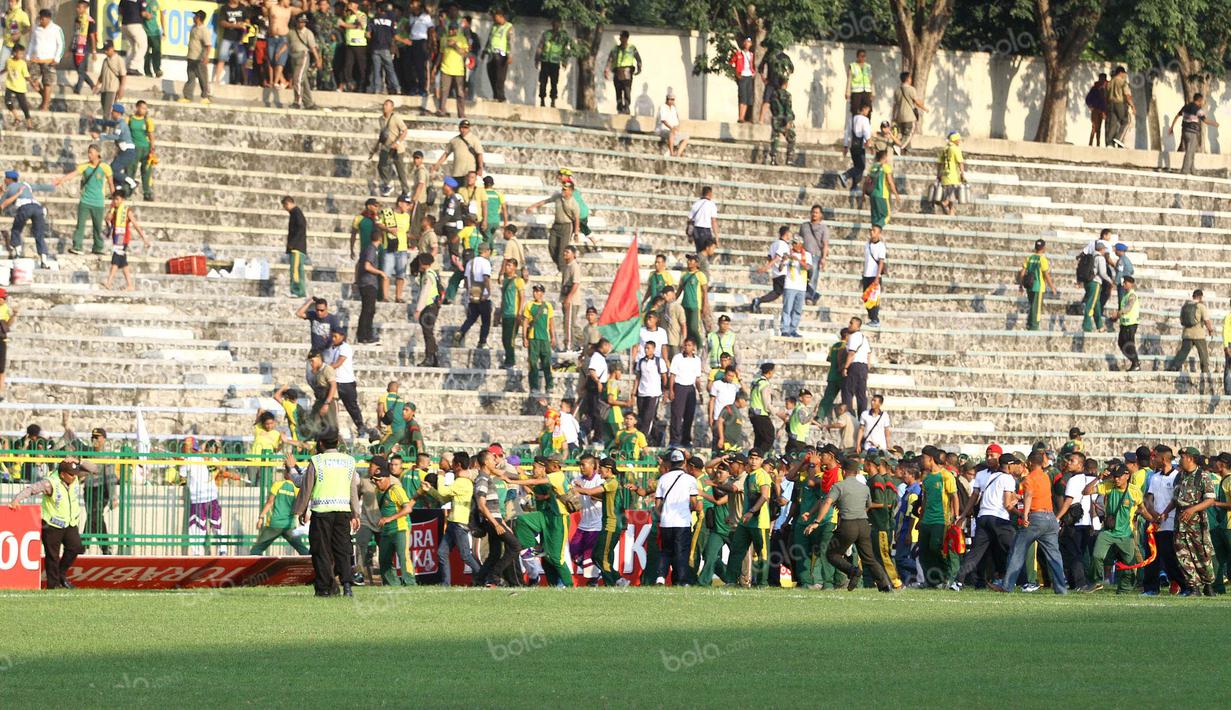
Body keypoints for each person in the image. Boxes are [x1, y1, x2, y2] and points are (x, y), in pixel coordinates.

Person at [803, 458, 895, 592]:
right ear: (857, 472)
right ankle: (885, 586)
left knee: (832, 554)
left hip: (848, 525)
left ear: (843, 471)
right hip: (864, 525)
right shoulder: (864, 487)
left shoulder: (839, 486)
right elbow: (868, 505)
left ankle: (853, 571)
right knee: (869, 558)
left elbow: (827, 502)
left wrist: (816, 522)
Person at [290, 432, 360, 596]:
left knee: (321, 551)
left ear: (320, 443)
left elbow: (307, 487)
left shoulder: (317, 461)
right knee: (342, 550)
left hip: (322, 512)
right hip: (343, 512)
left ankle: (324, 588)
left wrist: (300, 510)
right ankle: (347, 585)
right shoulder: (349, 461)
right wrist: (356, 513)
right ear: (337, 442)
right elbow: (352, 488)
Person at [8, 459, 92, 589]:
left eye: (75, 473)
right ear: (62, 474)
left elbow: (94, 468)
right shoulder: (50, 483)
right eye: (71, 474)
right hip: (52, 524)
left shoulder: (73, 477)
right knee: (52, 556)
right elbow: (31, 489)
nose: (74, 476)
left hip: (70, 523)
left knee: (76, 547)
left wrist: (78, 460)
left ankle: (61, 575)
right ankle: (53, 586)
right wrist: (16, 500)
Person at [993, 451, 1068, 594]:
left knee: (1017, 550)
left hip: (1036, 518)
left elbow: (1028, 495)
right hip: (1050, 518)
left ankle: (1007, 586)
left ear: (1031, 463)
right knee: (1054, 555)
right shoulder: (1046, 477)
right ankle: (1061, 588)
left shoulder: (1029, 478)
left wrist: (1025, 515)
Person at [422, 452, 480, 587]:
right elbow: (443, 499)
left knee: (466, 556)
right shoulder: (460, 481)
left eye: (453, 463)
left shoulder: (463, 482)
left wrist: (441, 477)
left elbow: (443, 492)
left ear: (458, 465)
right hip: (454, 523)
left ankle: (483, 577)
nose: (451, 466)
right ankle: (445, 583)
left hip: (459, 524)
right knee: (442, 553)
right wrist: (430, 490)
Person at [724, 450, 773, 587]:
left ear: (761, 461)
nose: (753, 461)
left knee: (762, 553)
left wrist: (751, 512)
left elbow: (764, 496)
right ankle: (731, 581)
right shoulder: (749, 476)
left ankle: (762, 583)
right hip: (745, 522)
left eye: (756, 458)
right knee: (736, 549)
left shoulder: (762, 475)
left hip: (759, 522)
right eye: (751, 458)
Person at [1172, 447, 1217, 595]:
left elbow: (1210, 500)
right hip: (1180, 522)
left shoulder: (1203, 476)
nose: (1180, 459)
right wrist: (1164, 513)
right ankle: (1194, 586)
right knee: (1182, 554)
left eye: (1183, 456)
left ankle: (1208, 584)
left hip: (1197, 523)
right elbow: (1174, 499)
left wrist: (1192, 509)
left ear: (1190, 458)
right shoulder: (1179, 476)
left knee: (1202, 554)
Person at [654, 450, 699, 585]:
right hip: (682, 521)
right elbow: (694, 503)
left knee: (666, 550)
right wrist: (692, 509)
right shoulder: (690, 479)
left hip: (666, 522)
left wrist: (662, 515)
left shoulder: (663, 478)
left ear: (670, 463)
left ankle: (661, 577)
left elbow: (657, 504)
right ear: (684, 462)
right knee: (681, 552)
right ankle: (681, 580)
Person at [250, 456, 310, 555]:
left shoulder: (277, 485)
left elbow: (269, 502)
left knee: (256, 550)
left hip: (274, 524)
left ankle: (255, 569)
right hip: (289, 525)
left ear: (287, 473)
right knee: (303, 550)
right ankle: (310, 567)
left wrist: (261, 517)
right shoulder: (297, 488)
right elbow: (301, 505)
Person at [525, 179, 579, 270]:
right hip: (556, 225)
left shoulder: (574, 204)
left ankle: (563, 270)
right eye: (563, 189)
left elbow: (577, 219)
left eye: (565, 189)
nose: (563, 191)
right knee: (552, 247)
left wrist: (576, 233)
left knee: (563, 250)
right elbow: (546, 201)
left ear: (571, 191)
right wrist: (533, 206)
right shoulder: (557, 197)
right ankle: (562, 266)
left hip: (566, 227)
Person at [101, 189, 149, 292]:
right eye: (114, 199)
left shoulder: (127, 211)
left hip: (123, 239)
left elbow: (135, 225)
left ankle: (109, 282)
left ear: (122, 199)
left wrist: (144, 237)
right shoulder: (114, 210)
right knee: (123, 263)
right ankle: (130, 285)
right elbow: (107, 219)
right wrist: (111, 210)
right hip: (116, 238)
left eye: (117, 199)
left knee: (115, 259)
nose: (116, 201)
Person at [324, 325, 366, 435]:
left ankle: (360, 426)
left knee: (352, 406)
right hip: (334, 382)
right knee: (330, 405)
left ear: (342, 336)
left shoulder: (345, 347)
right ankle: (330, 429)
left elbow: (338, 363)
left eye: (335, 336)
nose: (333, 338)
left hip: (346, 383)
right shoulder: (332, 348)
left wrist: (324, 369)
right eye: (332, 336)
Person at [1, 170, 49, 264]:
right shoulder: (25, 185)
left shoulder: (10, 187)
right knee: (39, 234)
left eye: (5, 179)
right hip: (38, 207)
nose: (4, 181)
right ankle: (44, 259)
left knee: (16, 229)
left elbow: (2, 205)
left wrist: (1, 193)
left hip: (24, 207)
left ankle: (18, 253)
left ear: (9, 179)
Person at [353, 215, 388, 344]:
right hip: (368, 283)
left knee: (368, 310)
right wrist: (381, 273)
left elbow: (358, 265)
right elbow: (367, 266)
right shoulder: (372, 250)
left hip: (365, 282)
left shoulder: (367, 249)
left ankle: (364, 335)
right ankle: (365, 335)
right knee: (368, 310)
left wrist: (356, 280)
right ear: (380, 238)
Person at [1170, 93, 1220, 175]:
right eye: (1202, 101)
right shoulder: (1198, 109)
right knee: (1189, 152)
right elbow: (1205, 121)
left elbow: (1177, 116)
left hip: (1184, 132)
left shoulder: (1186, 107)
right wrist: (1215, 123)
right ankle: (1185, 170)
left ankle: (1192, 169)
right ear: (1200, 100)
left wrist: (1172, 127)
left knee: (1192, 151)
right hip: (1192, 133)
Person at [667, 337, 704, 448]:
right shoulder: (677, 358)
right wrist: (671, 390)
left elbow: (697, 379)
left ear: (693, 347)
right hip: (679, 387)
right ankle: (674, 439)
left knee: (689, 415)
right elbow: (672, 375)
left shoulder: (697, 360)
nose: (687, 347)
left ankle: (686, 439)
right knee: (677, 415)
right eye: (685, 345)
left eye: (689, 345)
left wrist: (700, 392)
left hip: (690, 389)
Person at [455, 242, 493, 348]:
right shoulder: (486, 263)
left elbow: (466, 281)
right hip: (483, 296)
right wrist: (488, 292)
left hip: (473, 295)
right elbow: (486, 279)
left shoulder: (470, 263)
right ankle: (482, 342)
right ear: (486, 251)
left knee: (471, 318)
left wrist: (469, 293)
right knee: (486, 321)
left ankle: (461, 332)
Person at [1168, 289, 1214, 374]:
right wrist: (1210, 330)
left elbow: (1181, 319)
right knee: (1203, 353)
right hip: (1198, 334)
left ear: (1193, 296)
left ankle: (1175, 366)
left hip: (1186, 334)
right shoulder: (1201, 306)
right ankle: (1205, 370)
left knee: (1183, 352)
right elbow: (1207, 320)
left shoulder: (1185, 306)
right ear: (1200, 297)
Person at [370, 100, 409, 197]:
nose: (385, 107)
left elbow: (404, 131)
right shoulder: (381, 119)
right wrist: (375, 148)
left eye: (387, 105)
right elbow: (382, 135)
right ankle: (388, 183)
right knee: (381, 166)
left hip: (397, 149)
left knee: (401, 171)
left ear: (392, 108)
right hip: (386, 147)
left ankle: (406, 191)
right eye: (384, 105)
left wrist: (398, 142)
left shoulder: (396, 118)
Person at [1019, 238, 1059, 331]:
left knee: (1032, 305)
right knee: (1036, 307)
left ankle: (1029, 324)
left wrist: (1021, 285)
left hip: (1029, 286)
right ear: (1044, 248)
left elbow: (1022, 273)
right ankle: (1034, 326)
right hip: (1038, 286)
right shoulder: (1042, 259)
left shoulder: (1030, 258)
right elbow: (1046, 274)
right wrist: (1052, 287)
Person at [26, 9, 61, 114]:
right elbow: (32, 43)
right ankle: (45, 97)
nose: (41, 20)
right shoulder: (36, 29)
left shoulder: (56, 29)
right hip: (36, 59)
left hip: (49, 60)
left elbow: (61, 44)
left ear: (48, 18)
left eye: (43, 19)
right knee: (32, 80)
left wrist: (57, 58)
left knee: (47, 83)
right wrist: (28, 56)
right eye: (40, 18)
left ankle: (45, 105)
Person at [523, 283, 555, 391]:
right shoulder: (529, 305)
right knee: (533, 363)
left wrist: (553, 337)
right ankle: (534, 386)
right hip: (533, 337)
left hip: (545, 338)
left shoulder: (548, 306)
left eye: (538, 291)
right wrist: (524, 337)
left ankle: (549, 385)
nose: (536, 293)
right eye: (535, 291)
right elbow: (525, 322)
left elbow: (551, 323)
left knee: (546, 362)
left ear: (542, 293)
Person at [634, 339, 667, 438]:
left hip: (654, 393)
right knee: (641, 416)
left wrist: (665, 391)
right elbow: (638, 377)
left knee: (648, 417)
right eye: (645, 348)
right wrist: (633, 391)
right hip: (642, 392)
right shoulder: (641, 362)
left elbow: (664, 377)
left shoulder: (659, 361)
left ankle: (642, 438)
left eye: (649, 348)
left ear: (653, 349)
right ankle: (657, 436)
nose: (646, 350)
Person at [780, 236, 811, 337]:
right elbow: (780, 268)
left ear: (800, 244)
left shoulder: (807, 255)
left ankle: (793, 329)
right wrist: (784, 260)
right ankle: (785, 329)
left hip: (801, 287)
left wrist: (797, 259)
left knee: (797, 310)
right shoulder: (788, 254)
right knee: (787, 308)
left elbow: (807, 267)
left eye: (795, 243)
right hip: (790, 285)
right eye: (792, 243)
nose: (793, 245)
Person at [434, 20, 467, 116]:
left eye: (453, 29)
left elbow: (464, 53)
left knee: (460, 93)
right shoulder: (444, 39)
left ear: (457, 30)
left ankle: (461, 114)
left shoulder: (462, 39)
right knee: (444, 91)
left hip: (458, 70)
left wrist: (455, 45)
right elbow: (441, 54)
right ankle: (442, 110)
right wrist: (436, 66)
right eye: (450, 29)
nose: (451, 31)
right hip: (445, 69)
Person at [534, 19, 569, 108]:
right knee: (543, 82)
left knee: (554, 82)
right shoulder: (546, 34)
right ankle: (542, 99)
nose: (556, 25)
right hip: (545, 61)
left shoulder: (563, 36)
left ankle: (553, 100)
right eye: (554, 23)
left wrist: (565, 61)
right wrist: (537, 59)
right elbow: (540, 46)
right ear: (552, 24)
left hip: (555, 62)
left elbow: (565, 49)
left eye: (558, 23)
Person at [604, 30, 640, 115]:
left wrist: (639, 68)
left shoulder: (632, 48)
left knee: (627, 90)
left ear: (626, 38)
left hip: (627, 72)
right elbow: (610, 59)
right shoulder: (615, 49)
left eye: (622, 37)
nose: (621, 39)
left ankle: (626, 107)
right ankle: (620, 108)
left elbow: (638, 59)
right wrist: (606, 69)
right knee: (618, 90)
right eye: (620, 37)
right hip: (617, 71)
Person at [366, 2, 399, 94]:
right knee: (390, 70)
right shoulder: (391, 21)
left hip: (375, 48)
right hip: (386, 48)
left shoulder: (373, 20)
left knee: (376, 70)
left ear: (379, 10)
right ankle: (397, 88)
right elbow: (395, 35)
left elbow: (368, 34)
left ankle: (377, 89)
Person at [1110, 275, 1141, 371]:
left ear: (1131, 284)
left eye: (1125, 283)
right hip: (1124, 324)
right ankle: (1135, 361)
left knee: (1129, 344)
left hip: (1130, 324)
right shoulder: (1125, 295)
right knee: (1121, 343)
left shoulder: (1132, 295)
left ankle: (1135, 363)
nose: (1123, 284)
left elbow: (1128, 308)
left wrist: (1118, 314)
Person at [126, 100, 155, 202]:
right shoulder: (129, 119)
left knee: (146, 171)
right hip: (133, 148)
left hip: (145, 148)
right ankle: (127, 191)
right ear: (137, 107)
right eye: (142, 108)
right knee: (130, 170)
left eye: (145, 108)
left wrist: (152, 147)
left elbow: (151, 134)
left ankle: (147, 193)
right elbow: (124, 132)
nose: (144, 110)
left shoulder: (147, 120)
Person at [179, 9, 210, 103]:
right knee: (190, 78)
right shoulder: (193, 27)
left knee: (203, 78)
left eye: (195, 16)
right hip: (191, 57)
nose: (193, 17)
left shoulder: (204, 30)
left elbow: (208, 45)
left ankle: (205, 97)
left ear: (199, 18)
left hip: (199, 59)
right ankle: (188, 97)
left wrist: (206, 57)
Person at [838, 103, 871, 189]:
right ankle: (845, 175)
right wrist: (869, 143)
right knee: (861, 167)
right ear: (863, 109)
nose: (868, 112)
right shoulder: (865, 120)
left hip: (852, 146)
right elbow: (866, 133)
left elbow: (847, 133)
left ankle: (854, 186)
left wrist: (845, 146)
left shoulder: (851, 119)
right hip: (860, 146)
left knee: (856, 167)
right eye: (867, 110)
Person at [498, 257, 524, 368]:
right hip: (505, 313)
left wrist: (519, 312)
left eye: (510, 266)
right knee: (504, 338)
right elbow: (503, 298)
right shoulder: (505, 280)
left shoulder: (518, 281)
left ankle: (510, 360)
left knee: (510, 338)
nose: (507, 268)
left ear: (514, 267)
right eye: (507, 265)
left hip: (513, 314)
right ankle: (508, 359)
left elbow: (522, 297)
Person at [800, 205, 829, 305]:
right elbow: (799, 241)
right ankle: (813, 295)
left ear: (820, 215)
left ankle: (809, 297)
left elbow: (825, 244)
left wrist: (823, 258)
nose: (814, 214)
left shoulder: (823, 228)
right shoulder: (804, 226)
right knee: (803, 276)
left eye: (816, 212)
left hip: (815, 255)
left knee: (813, 277)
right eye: (813, 212)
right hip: (804, 255)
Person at [482, 8, 512, 102]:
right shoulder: (494, 26)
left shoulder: (508, 26)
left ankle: (501, 97)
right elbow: (490, 39)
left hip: (502, 55)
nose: (494, 20)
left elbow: (511, 42)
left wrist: (510, 55)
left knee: (500, 77)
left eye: (496, 18)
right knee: (492, 76)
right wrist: (484, 51)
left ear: (501, 16)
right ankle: (495, 96)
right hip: (492, 54)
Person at [679, 254, 708, 347]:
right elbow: (679, 290)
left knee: (694, 328)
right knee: (686, 329)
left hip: (695, 306)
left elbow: (705, 292)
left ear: (696, 263)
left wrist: (705, 305)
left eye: (691, 260)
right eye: (688, 260)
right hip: (684, 305)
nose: (688, 262)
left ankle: (700, 346)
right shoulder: (684, 275)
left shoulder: (700, 275)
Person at [893, 71, 927, 150]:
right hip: (909, 117)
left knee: (903, 134)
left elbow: (895, 105)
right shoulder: (911, 89)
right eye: (910, 78)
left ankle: (907, 150)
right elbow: (916, 102)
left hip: (899, 116)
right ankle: (899, 146)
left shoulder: (897, 91)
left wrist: (894, 116)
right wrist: (925, 108)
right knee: (909, 135)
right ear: (908, 79)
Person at [936, 131, 965, 215]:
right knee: (954, 194)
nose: (959, 141)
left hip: (944, 176)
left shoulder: (945, 149)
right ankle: (945, 202)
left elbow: (939, 163)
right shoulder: (955, 149)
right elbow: (960, 162)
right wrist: (962, 174)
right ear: (954, 140)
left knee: (949, 193)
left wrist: (938, 174)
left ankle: (951, 212)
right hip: (953, 176)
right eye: (958, 139)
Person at [3, 42, 31, 129]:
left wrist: (33, 83)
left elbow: (26, 75)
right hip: (10, 85)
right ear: (14, 52)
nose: (22, 55)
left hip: (20, 87)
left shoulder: (22, 63)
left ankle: (29, 123)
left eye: (23, 53)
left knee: (24, 106)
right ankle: (17, 117)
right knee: (8, 102)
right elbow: (5, 69)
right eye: (20, 53)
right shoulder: (8, 61)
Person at [1105, 66, 1134, 148]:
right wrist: (1132, 106)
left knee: (1113, 123)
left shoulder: (1110, 82)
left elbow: (1106, 93)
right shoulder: (1122, 82)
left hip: (1111, 104)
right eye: (1124, 73)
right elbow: (1127, 95)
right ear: (1121, 73)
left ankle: (1109, 143)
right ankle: (1118, 138)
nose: (1125, 75)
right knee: (1126, 121)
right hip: (1119, 103)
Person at [861, 229, 886, 328]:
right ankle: (872, 318)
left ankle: (875, 319)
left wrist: (877, 277)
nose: (872, 232)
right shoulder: (867, 245)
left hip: (874, 276)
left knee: (874, 299)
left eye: (874, 231)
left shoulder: (881, 246)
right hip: (866, 275)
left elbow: (881, 262)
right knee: (866, 298)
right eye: (871, 230)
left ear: (879, 233)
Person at [94, 41, 125, 116]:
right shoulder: (105, 60)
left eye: (107, 49)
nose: (105, 51)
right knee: (104, 110)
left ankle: (107, 127)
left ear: (112, 49)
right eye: (105, 49)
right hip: (104, 88)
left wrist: (121, 89)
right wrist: (97, 85)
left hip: (112, 89)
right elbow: (102, 75)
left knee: (108, 112)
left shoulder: (119, 60)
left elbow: (123, 75)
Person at [729, 36, 756, 122]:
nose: (747, 44)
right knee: (742, 96)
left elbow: (752, 65)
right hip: (742, 75)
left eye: (749, 42)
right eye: (746, 42)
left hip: (749, 76)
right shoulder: (738, 53)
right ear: (744, 43)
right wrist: (736, 73)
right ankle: (740, 117)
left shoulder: (751, 54)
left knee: (748, 97)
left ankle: (744, 117)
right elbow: (731, 63)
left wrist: (753, 72)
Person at [656, 90, 689, 157]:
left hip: (673, 130)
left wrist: (676, 128)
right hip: (663, 130)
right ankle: (671, 152)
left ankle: (678, 154)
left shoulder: (673, 108)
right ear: (667, 99)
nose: (672, 101)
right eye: (671, 99)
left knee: (686, 136)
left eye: (673, 100)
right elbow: (664, 121)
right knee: (671, 133)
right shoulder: (663, 107)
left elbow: (676, 122)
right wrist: (672, 128)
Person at [687, 186, 719, 252]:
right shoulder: (711, 204)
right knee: (707, 251)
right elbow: (714, 221)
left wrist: (690, 235)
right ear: (710, 193)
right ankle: (704, 262)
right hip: (705, 230)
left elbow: (689, 219)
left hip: (696, 230)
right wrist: (716, 236)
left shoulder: (696, 203)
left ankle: (700, 261)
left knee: (699, 251)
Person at [845, 48, 873, 115]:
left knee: (868, 110)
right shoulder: (852, 66)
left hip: (866, 91)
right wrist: (847, 92)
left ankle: (866, 124)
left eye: (864, 56)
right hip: (856, 92)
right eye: (861, 56)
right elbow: (849, 79)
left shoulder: (868, 66)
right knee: (855, 110)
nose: (863, 58)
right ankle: (856, 124)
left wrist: (873, 91)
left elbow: (871, 79)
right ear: (857, 56)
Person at [1085, 72, 1108, 146]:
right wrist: (1091, 107)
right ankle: (1090, 143)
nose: (1102, 81)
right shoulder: (1094, 88)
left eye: (1103, 79)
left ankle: (1098, 144)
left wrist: (1105, 111)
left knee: (1099, 128)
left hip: (1102, 111)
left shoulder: (1106, 89)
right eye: (1101, 79)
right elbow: (1088, 99)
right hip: (1095, 110)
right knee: (1094, 127)